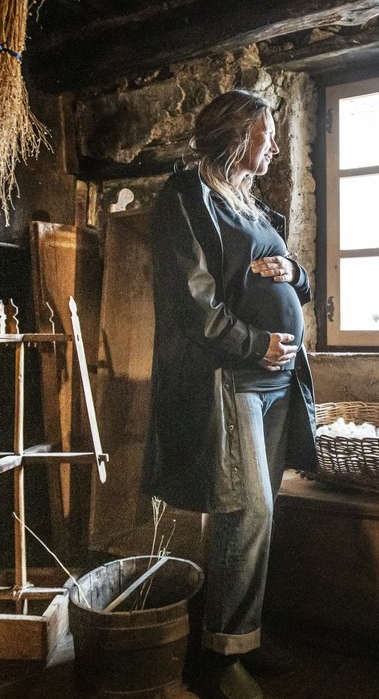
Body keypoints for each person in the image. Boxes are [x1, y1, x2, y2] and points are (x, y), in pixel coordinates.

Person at [142, 88, 318, 699]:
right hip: (231, 378)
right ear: (237, 134)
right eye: (266, 134)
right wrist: (255, 345)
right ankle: (219, 662)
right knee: (249, 509)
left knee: (257, 514)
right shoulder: (187, 198)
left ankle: (239, 639)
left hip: (277, 382)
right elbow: (190, 303)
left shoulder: (254, 207)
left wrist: (297, 275)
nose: (273, 145)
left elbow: (296, 279)